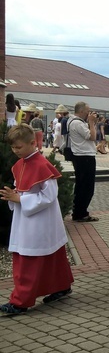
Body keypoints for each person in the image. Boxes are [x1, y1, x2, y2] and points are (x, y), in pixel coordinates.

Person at [0, 124, 74, 316]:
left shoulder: (42, 165)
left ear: (33, 143)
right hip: (28, 218)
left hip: (40, 220)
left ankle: (20, 301)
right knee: (51, 256)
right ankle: (61, 286)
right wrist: (14, 195)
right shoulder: (20, 164)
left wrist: (21, 199)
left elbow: (49, 195)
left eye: (18, 147)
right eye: (13, 148)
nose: (15, 151)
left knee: (29, 260)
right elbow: (22, 188)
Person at [68, 102, 99, 222]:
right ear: (81, 111)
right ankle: (80, 213)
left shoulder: (76, 122)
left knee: (82, 186)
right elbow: (92, 137)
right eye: (87, 111)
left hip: (82, 156)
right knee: (86, 187)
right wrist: (91, 122)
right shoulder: (77, 123)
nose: (89, 114)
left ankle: (80, 211)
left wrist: (91, 123)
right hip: (84, 156)